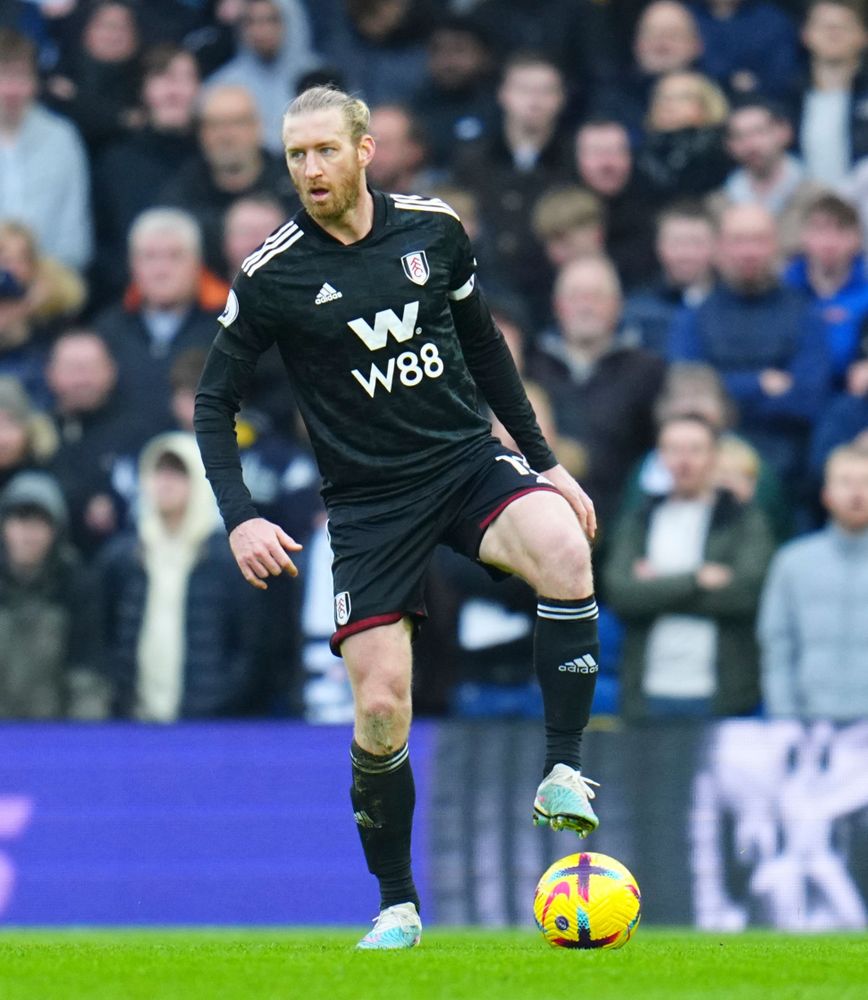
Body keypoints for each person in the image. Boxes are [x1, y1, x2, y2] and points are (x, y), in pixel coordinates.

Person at [195, 84, 604, 949]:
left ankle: (562, 769)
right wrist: (239, 517)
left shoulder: (433, 229)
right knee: (381, 708)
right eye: (296, 155)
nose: (310, 169)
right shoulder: (274, 274)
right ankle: (398, 905)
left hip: (462, 462)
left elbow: (486, 348)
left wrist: (545, 463)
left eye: (324, 151)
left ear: (365, 149)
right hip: (371, 504)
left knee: (566, 548)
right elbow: (210, 402)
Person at [604, 413, 774, 719]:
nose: (684, 461)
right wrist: (695, 579)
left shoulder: (744, 520)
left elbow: (746, 595)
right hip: (646, 693)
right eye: (673, 449)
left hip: (724, 695)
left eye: (695, 449)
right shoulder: (639, 520)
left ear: (714, 456)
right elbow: (621, 594)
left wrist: (654, 588)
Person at [758, 443, 868, 719]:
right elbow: (777, 646)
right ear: (826, 494)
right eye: (845, 482)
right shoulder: (793, 562)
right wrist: (785, 717)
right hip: (811, 723)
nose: (856, 493)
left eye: (865, 482)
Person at [0, 470, 106, 719]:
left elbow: (87, 676)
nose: (28, 533)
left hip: (54, 739)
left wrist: (81, 746)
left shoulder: (77, 585)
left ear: (56, 531)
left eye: (40, 521)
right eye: (20, 519)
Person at [0, 28, 93, 272]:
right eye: (3, 76)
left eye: (20, 77)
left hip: (51, 287)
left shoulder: (62, 138)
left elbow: (74, 231)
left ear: (34, 82)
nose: (11, 90)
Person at [708, 97, 827, 259]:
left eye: (759, 132)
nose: (750, 144)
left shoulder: (820, 198)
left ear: (784, 132)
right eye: (739, 136)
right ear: (729, 146)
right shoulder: (717, 206)